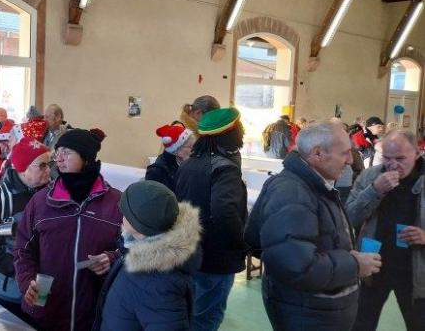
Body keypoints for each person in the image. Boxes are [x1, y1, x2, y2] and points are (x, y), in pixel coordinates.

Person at [245, 121, 381, 331]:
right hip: (308, 313)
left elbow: (257, 240)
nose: (350, 160)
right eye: (344, 153)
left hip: (313, 309)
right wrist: (354, 265)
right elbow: (298, 266)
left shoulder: (313, 185)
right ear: (318, 154)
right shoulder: (293, 193)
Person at [14, 128, 122, 331]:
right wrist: (27, 282)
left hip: (95, 316)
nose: (59, 158)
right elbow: (23, 251)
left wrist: (112, 258)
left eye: (67, 152)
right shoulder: (41, 201)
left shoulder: (116, 202)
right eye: (58, 151)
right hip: (46, 313)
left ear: (87, 158)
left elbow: (133, 249)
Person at [175, 107, 247, 331]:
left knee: (190, 315)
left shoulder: (189, 164)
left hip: (190, 253)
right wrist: (241, 243)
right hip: (216, 258)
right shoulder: (225, 169)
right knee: (207, 319)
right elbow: (225, 212)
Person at [94, 181, 201, 331]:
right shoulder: (138, 250)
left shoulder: (159, 284)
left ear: (140, 224)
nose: (121, 214)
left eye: (126, 212)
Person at [346, 130, 425, 331]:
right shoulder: (371, 175)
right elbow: (348, 218)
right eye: (387, 158)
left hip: (416, 271)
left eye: (400, 158)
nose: (393, 165)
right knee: (361, 324)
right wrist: (374, 190)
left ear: (417, 153)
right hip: (373, 265)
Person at [0, 137, 51, 317]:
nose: (49, 170)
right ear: (23, 169)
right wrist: (20, 270)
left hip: (41, 287)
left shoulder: (50, 194)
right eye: (42, 165)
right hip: (8, 290)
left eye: (49, 163)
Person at [146, 124, 194, 191]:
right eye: (190, 146)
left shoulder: (194, 164)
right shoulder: (157, 172)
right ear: (177, 151)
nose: (194, 150)